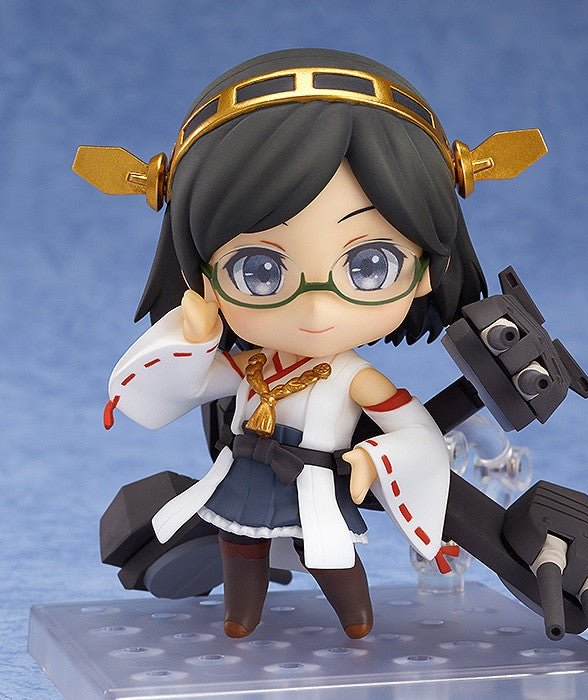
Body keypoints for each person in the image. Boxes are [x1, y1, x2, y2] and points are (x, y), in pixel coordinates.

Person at [99, 48, 490, 639]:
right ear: (203, 275)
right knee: (239, 545)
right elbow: (183, 387)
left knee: (327, 550)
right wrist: (195, 341)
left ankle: (357, 620)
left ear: (426, 271)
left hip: (314, 478)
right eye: (258, 271)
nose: (315, 309)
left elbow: (416, 432)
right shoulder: (250, 364)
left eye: (370, 266)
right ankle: (241, 616)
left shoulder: (354, 377)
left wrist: (375, 458)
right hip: (245, 472)